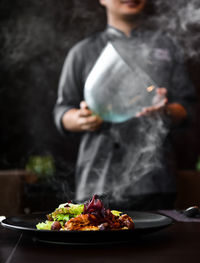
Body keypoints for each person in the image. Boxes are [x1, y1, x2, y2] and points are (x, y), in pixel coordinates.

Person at [54, 0, 195, 210]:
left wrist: (165, 112)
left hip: (155, 179)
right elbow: (62, 111)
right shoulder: (82, 51)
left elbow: (188, 107)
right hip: (96, 179)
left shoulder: (167, 48)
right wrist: (80, 119)